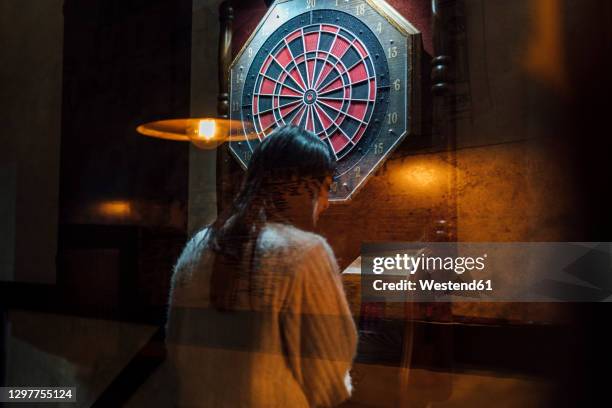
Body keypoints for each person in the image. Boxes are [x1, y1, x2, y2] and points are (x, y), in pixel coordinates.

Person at [166, 125, 358, 407]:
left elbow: (176, 348)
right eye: (326, 187)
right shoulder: (305, 253)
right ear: (296, 182)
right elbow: (328, 381)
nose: (326, 203)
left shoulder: (197, 246)